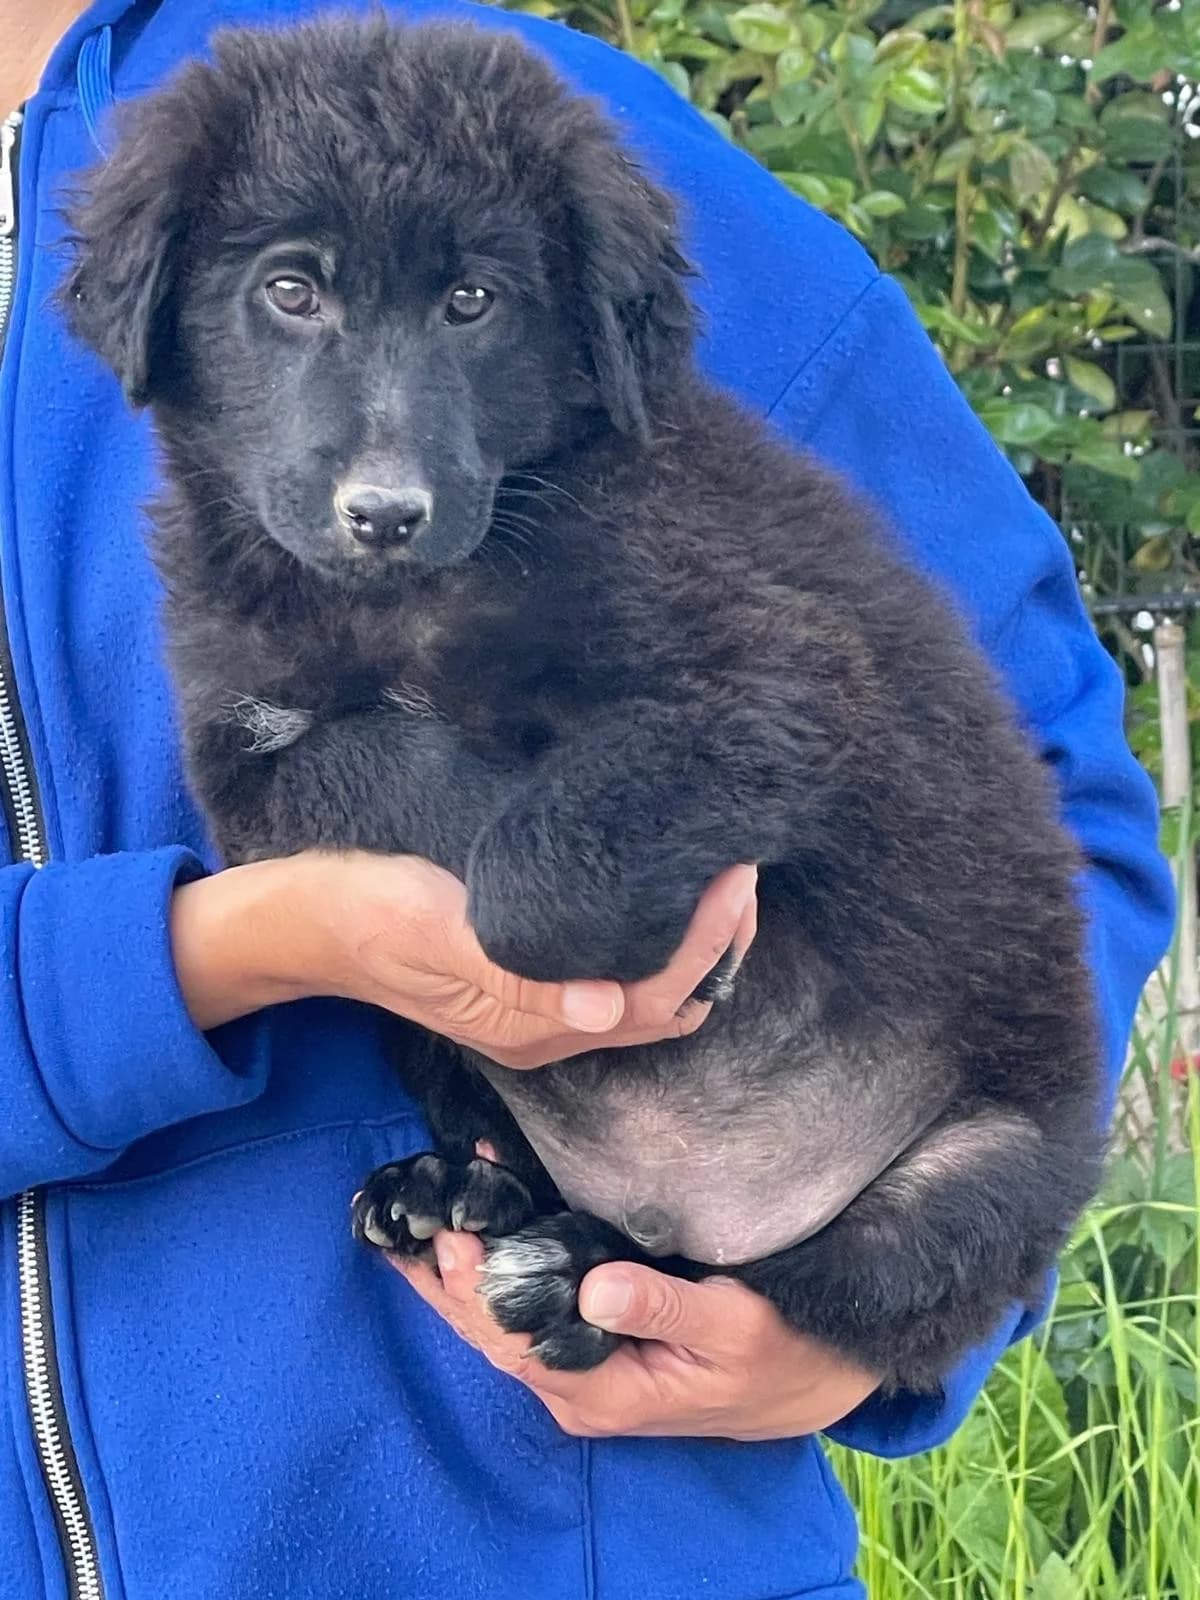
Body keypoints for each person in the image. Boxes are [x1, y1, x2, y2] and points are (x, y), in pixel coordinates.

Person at [0, 1, 1174, 1596]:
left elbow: (1039, 772)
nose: (384, 456)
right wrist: (229, 948)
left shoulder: (537, 118)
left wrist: (867, 1326)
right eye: (294, 295)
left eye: (474, 301)